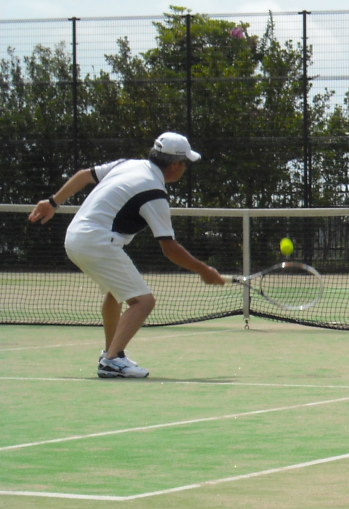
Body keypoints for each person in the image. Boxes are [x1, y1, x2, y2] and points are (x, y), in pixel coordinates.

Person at [28, 132, 224, 378]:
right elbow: (169, 248)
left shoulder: (127, 164)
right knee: (143, 301)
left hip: (75, 237)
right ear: (174, 166)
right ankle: (111, 360)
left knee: (115, 292)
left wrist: (52, 202)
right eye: (185, 163)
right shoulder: (154, 193)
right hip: (97, 243)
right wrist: (204, 270)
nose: (185, 168)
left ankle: (113, 354)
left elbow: (83, 176)